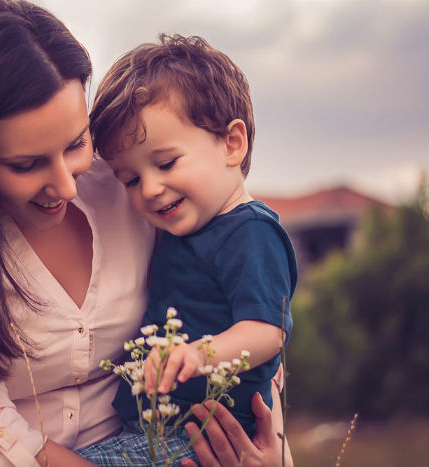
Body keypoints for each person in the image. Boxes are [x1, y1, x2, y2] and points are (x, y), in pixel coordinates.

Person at [0, 1, 291, 465]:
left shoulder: (129, 178)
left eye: (77, 143)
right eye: (25, 164)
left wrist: (272, 454)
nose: (68, 185)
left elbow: (242, 320)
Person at [77, 35, 297, 465]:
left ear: (232, 144)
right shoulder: (187, 231)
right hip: (166, 425)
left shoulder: (251, 231)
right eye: (131, 179)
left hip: (205, 433)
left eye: (165, 163)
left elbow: (267, 330)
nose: (151, 189)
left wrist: (199, 355)